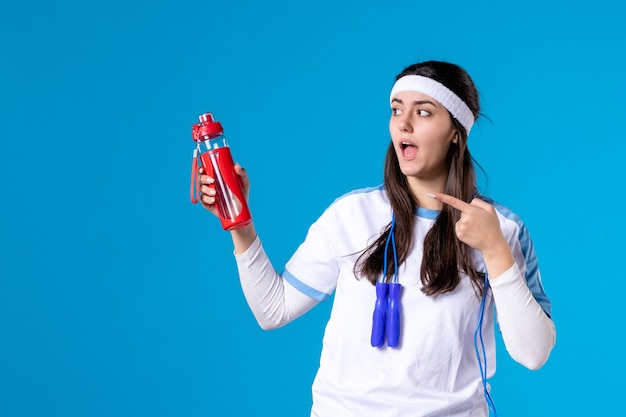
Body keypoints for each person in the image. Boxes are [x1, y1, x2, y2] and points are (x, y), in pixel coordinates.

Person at [198, 60, 556, 417]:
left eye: (424, 112)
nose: (404, 123)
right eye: (397, 109)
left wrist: (495, 251)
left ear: (456, 132)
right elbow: (273, 310)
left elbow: (534, 354)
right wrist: (241, 227)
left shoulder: (500, 228)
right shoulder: (350, 214)